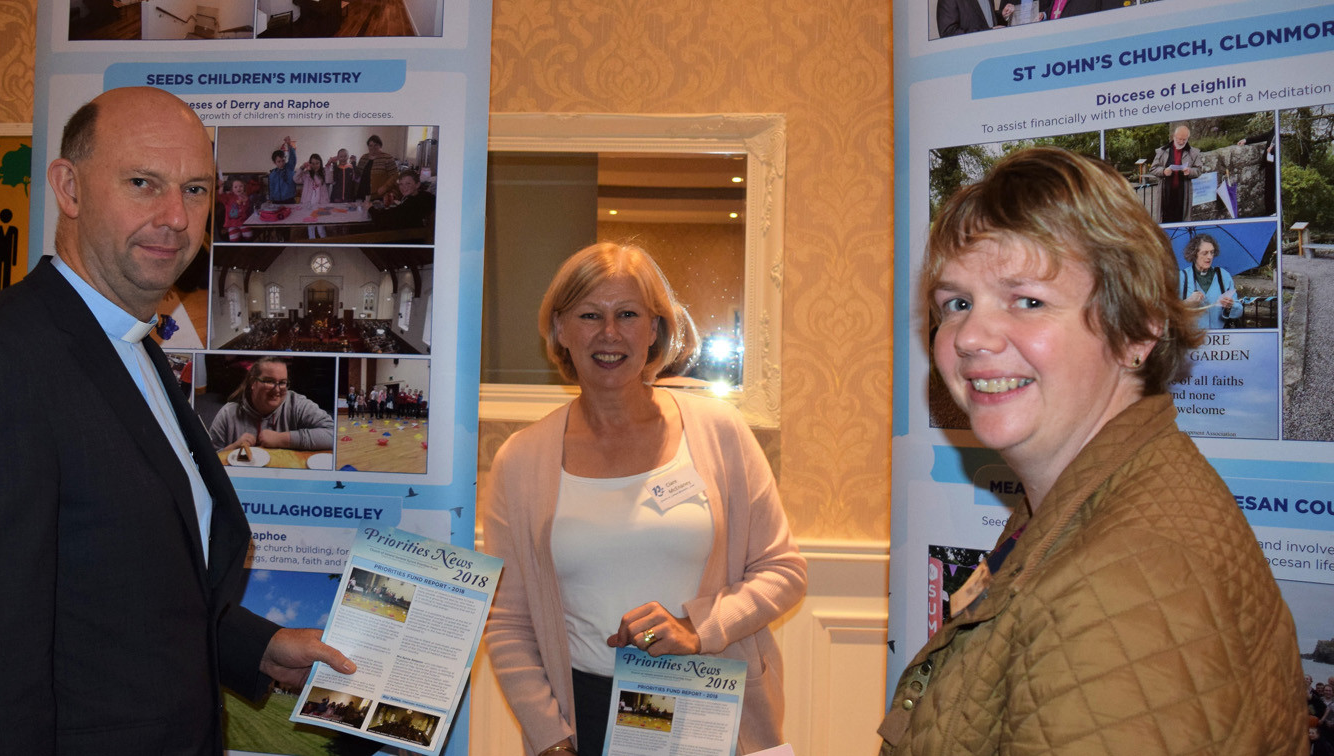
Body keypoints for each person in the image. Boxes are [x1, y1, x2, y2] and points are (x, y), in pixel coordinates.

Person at [0, 87, 355, 755]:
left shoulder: (133, 344)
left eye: (196, 190)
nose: (175, 217)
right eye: (143, 183)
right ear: (68, 188)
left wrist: (256, 647)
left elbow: (118, 591)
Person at [880, 147, 1303, 755]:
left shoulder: (1122, 586)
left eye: (1027, 300)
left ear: (1136, 329)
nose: (969, 337)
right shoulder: (1086, 501)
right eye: (957, 303)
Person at [482, 242, 807, 756]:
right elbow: (509, 620)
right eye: (590, 315)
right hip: (581, 714)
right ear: (561, 330)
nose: (609, 334)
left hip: (708, 707)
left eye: (627, 314)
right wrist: (551, 739)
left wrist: (697, 628)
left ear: (654, 329)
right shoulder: (521, 461)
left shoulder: (718, 432)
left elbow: (783, 571)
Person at [209, 356, 335, 454]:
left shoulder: (296, 404)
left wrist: (283, 439)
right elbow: (207, 459)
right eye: (269, 381)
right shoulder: (227, 414)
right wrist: (234, 448)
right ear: (253, 382)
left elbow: (333, 434)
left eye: (282, 382)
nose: (277, 390)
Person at [1179, 233, 1243, 330]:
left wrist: (1231, 306)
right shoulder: (1182, 277)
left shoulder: (1223, 276)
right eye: (1205, 253)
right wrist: (1188, 302)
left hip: (1219, 339)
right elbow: (1169, 312)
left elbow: (1239, 310)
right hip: (1191, 340)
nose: (1209, 257)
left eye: (1212, 252)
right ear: (1194, 254)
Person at [1152, 124, 1202, 223]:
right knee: (1165, 219)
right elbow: (1153, 168)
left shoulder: (1194, 153)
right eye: (1179, 139)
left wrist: (1190, 171)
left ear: (1188, 138)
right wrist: (1163, 171)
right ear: (1174, 137)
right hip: (1165, 191)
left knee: (1181, 220)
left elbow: (1199, 170)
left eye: (1184, 139)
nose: (1181, 142)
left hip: (1183, 192)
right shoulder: (1162, 151)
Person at [361, 169, 436, 232]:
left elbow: (382, 220)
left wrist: (370, 208)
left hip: (408, 241)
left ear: (417, 185)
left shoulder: (412, 203)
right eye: (401, 184)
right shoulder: (423, 196)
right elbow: (401, 213)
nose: (404, 187)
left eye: (408, 183)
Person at [295, 151, 330, 238]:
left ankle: (324, 242)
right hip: (308, 204)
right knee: (310, 226)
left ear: (320, 163)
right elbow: (295, 179)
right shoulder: (306, 174)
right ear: (310, 164)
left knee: (320, 227)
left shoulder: (324, 173)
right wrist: (302, 168)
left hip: (321, 204)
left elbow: (324, 181)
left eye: (317, 163)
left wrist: (328, 166)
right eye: (313, 163)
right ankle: (312, 242)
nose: (315, 166)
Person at [356, 133, 400, 201]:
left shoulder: (387, 158)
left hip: (379, 194)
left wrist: (385, 187)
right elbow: (358, 173)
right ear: (368, 146)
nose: (373, 148)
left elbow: (394, 175)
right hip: (362, 192)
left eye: (376, 145)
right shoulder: (363, 158)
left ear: (380, 145)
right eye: (370, 145)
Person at [0, 208, 19, 294]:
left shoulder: (13, 230)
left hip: (8, 257)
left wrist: (13, 260)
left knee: (7, 275)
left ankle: (5, 292)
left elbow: (14, 245)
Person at [219, 177, 254, 241]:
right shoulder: (229, 197)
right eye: (235, 187)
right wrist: (221, 187)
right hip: (232, 223)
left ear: (244, 188)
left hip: (243, 222)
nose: (238, 188)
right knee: (234, 239)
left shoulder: (246, 197)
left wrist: (245, 202)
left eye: (241, 186)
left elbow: (246, 211)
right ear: (232, 189)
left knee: (249, 236)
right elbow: (220, 196)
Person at [268, 136, 297, 204]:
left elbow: (293, 158)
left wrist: (289, 145)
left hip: (289, 199)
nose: (282, 163)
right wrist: (271, 198)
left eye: (283, 160)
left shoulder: (289, 168)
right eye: (279, 161)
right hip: (276, 201)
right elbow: (271, 188)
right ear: (274, 162)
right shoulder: (272, 174)